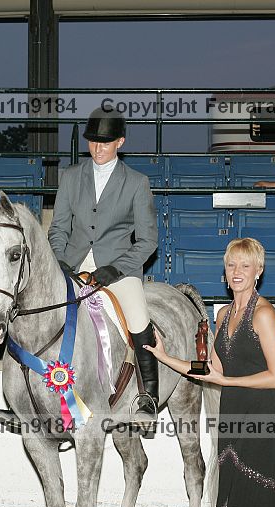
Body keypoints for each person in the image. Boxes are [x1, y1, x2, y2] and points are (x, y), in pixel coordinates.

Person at [144, 237, 275, 507]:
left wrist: (227, 381)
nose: (237, 271)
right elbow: (210, 370)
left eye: (245, 265)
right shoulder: (223, 314)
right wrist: (165, 357)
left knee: (255, 497)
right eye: (232, 265)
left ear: (258, 270)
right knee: (230, 496)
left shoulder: (264, 314)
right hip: (231, 413)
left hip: (262, 415)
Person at [48, 107, 159, 424]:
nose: (98, 148)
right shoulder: (71, 177)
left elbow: (148, 240)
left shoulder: (136, 182)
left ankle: (148, 395)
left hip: (118, 268)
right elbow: (58, 229)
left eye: (106, 142)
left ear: (120, 142)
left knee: (137, 316)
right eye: (93, 141)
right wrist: (59, 260)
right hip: (72, 263)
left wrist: (117, 268)